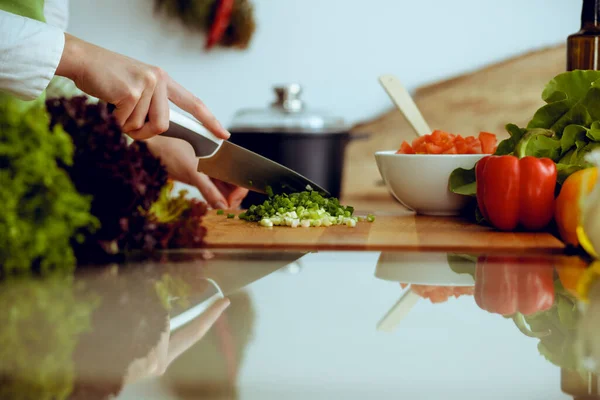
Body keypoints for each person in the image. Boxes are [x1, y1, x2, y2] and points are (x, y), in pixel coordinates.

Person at [0, 0, 248, 210]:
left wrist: (148, 138)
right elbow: (57, 58)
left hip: (17, 168)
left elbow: (44, 75)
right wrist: (78, 57)